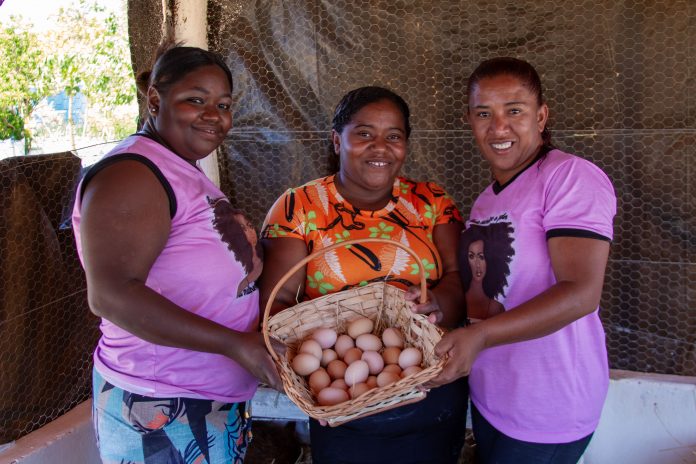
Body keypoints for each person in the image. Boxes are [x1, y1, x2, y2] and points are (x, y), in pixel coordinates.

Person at [72, 43, 284, 464]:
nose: (214, 116)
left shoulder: (178, 168)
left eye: (223, 104)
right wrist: (235, 344)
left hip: (203, 401)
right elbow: (111, 295)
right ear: (155, 99)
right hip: (160, 407)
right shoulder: (132, 174)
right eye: (195, 100)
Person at [259, 86, 469, 463]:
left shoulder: (431, 202)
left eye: (394, 136)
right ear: (336, 141)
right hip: (343, 408)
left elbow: (456, 278)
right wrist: (313, 361)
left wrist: (438, 303)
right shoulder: (299, 207)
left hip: (427, 385)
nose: (380, 147)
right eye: (364, 133)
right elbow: (281, 305)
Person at [426, 57, 617, 464]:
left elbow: (581, 293)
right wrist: (437, 306)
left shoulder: (569, 177)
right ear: (469, 121)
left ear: (541, 115)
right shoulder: (485, 200)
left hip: (547, 405)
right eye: (484, 114)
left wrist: (479, 336)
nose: (498, 128)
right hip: (493, 395)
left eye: (514, 110)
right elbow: (488, 292)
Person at [460, 224, 511, 322]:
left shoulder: (497, 306)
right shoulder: (458, 299)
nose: (477, 264)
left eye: (481, 257)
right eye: (471, 256)